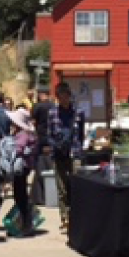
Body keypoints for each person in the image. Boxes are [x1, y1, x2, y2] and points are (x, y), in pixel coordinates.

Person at [47, 82, 86, 234]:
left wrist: (78, 148)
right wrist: (55, 145)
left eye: (66, 96)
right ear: (57, 97)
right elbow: (48, 134)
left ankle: (77, 216)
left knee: (76, 185)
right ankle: (65, 218)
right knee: (61, 187)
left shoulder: (78, 113)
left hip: (74, 153)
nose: (64, 99)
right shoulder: (52, 113)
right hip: (59, 154)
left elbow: (81, 134)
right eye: (60, 96)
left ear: (70, 96)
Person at [6, 107, 38, 236]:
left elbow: (18, 150)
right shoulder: (25, 133)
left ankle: (25, 224)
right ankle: (23, 223)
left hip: (21, 167)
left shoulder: (22, 134)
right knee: (20, 194)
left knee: (20, 196)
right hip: (24, 167)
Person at [29, 87, 54, 205]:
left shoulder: (37, 107)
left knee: (40, 168)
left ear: (40, 95)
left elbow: (33, 123)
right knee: (51, 167)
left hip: (41, 139)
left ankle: (39, 197)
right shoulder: (54, 106)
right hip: (53, 140)